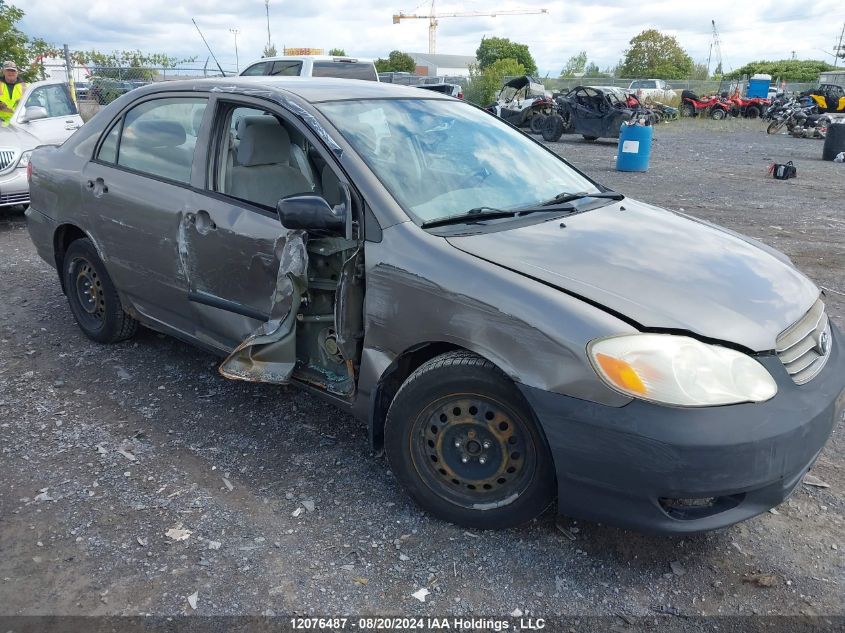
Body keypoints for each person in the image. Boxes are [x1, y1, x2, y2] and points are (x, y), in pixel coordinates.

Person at [0, 61, 26, 125]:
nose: (11, 73)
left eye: (13, 71)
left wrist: (23, 102)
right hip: (1, 123)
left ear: (17, 72)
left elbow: (34, 103)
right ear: (3, 72)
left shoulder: (25, 86)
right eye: (8, 70)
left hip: (21, 123)